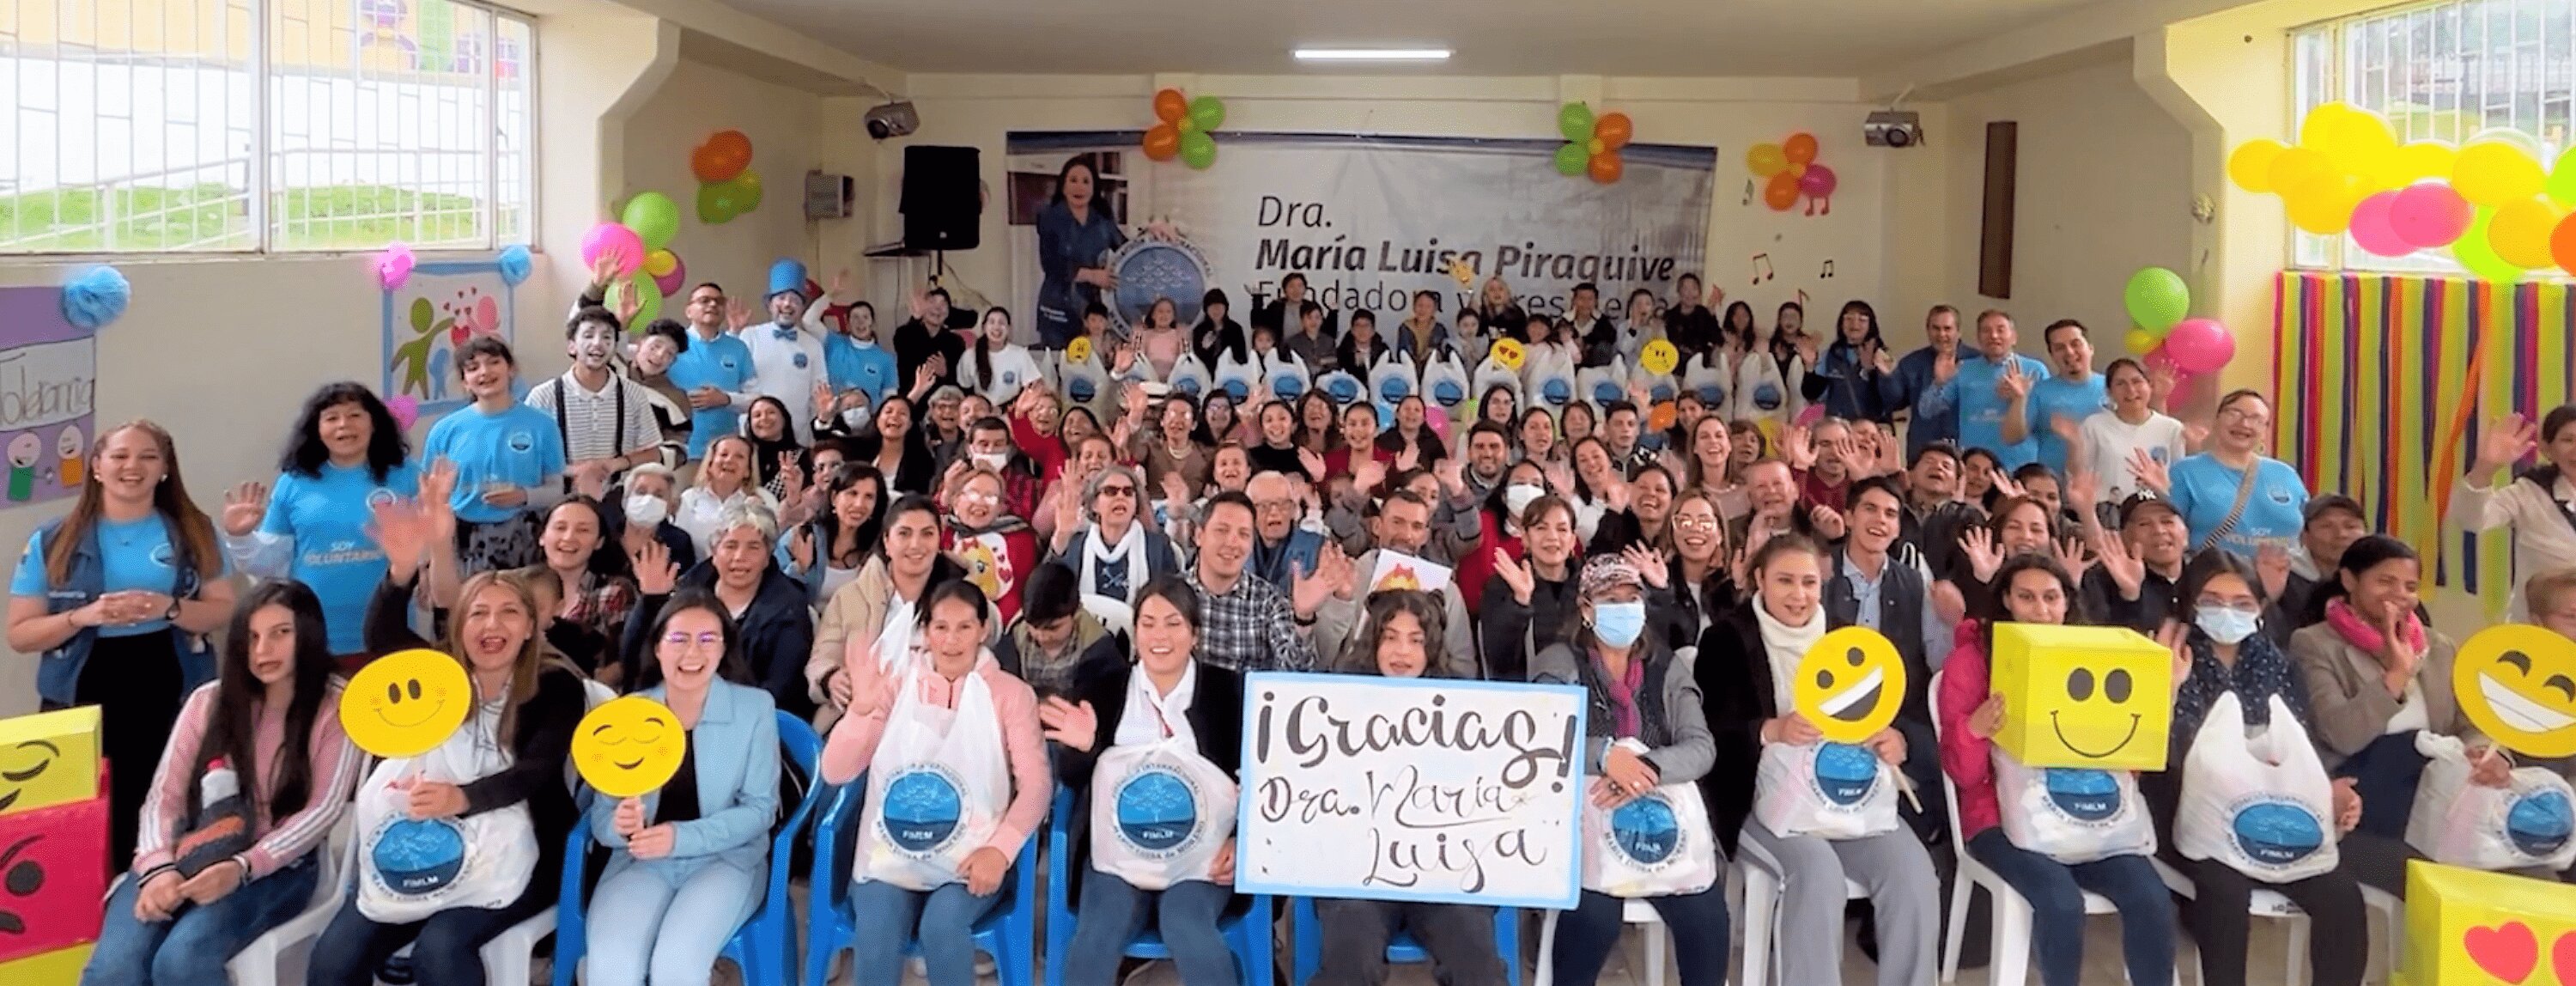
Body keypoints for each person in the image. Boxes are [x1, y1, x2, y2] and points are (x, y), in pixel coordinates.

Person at [324, 553, 584, 986]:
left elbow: (535, 771)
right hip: (420, 847)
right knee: (334, 961)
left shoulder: (557, 685)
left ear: (529, 627)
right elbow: (383, 636)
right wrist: (400, 573)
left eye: (509, 613)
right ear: (459, 625)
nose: (492, 626)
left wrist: (461, 798)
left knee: (440, 952)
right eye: (478, 613)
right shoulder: (440, 678)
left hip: (527, 858)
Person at [82, 582, 358, 986]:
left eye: (281, 633)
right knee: (115, 971)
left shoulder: (337, 705)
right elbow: (165, 799)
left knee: (182, 960)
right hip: (187, 851)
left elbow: (323, 809)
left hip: (274, 864)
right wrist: (158, 869)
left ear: (309, 633)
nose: (263, 650)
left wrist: (243, 867)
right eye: (252, 637)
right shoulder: (207, 701)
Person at [1697, 534, 1941, 986]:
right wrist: (1770, 731)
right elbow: (1708, 733)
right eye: (1785, 581)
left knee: (1914, 876)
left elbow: (1900, 714)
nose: (1799, 594)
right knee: (1817, 873)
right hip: (1763, 806)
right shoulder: (1725, 640)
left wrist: (1897, 739)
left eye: (1809, 582)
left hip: (1850, 801)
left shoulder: (1849, 641)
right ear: (1759, 581)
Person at [1936, 553, 2176, 986]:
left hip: (2094, 816)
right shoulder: (1971, 661)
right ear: (2005, 600)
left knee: (2152, 899)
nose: (2041, 610)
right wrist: (1974, 730)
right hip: (2000, 822)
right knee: (2061, 902)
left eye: (2051, 598)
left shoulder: (2094, 656)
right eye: (2026, 597)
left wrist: (2164, 695)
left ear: (2068, 602)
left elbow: (2132, 766)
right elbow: (1965, 777)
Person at [9, 420, 234, 867]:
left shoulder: (196, 532)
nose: (133, 467)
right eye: (120, 456)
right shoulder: (52, 540)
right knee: (79, 820)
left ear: (165, 469)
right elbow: (20, 634)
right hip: (81, 691)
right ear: (96, 467)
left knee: (163, 809)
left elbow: (224, 609)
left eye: (148, 457)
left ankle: (153, 895)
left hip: (169, 683)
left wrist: (168, 608)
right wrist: (81, 617)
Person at [2142, 551, 2369, 986]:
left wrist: (2330, 791)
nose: (2227, 612)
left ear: (2260, 609)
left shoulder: (2276, 664)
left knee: (2341, 896)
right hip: (2187, 813)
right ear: (2188, 603)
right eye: (2211, 600)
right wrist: (2163, 690)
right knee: (2225, 894)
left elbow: (2297, 747)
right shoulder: (2164, 655)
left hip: (2272, 812)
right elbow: (2161, 753)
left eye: (2242, 603)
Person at [823, 581, 1052, 986]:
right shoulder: (895, 683)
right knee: (877, 928)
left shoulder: (1010, 695)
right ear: (925, 631)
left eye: (964, 627)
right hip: (888, 855)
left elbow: (1036, 786)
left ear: (984, 630)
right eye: (940, 627)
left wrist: (999, 852)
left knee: (942, 927)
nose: (951, 640)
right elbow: (837, 771)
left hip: (971, 858)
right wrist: (859, 710)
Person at [1533, 554, 1729, 986]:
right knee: (1595, 919)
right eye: (1609, 598)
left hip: (1660, 821)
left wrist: (1645, 769)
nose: (1623, 607)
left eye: (1631, 597)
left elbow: (1701, 748)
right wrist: (1605, 757)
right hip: (1586, 827)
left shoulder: (1666, 667)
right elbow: (1542, 734)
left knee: (1706, 917)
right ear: (1586, 608)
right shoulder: (1560, 662)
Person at [1043, 576, 1244, 986]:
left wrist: (1243, 840)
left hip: (1204, 859)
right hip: (1118, 857)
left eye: (1173, 623)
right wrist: (1084, 748)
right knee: (1096, 934)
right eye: (1148, 623)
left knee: (1187, 924)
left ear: (1195, 634)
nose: (1160, 636)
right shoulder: (1104, 688)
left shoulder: (1229, 693)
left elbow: (1260, 782)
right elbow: (1073, 782)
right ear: (1135, 632)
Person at [1311, 591, 1512, 983]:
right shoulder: (1338, 700)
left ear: (1432, 646)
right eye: (1390, 637)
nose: (1402, 651)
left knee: (1479, 966)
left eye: (1416, 640)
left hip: (1444, 872)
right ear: (1373, 641)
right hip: (1360, 873)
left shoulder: (1464, 705)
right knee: (1349, 963)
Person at [581, 592, 781, 986]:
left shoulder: (755, 708)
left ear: (725, 647)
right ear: (657, 647)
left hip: (727, 860)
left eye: (708, 639)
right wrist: (621, 826)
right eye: (679, 639)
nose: (693, 652)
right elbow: (601, 819)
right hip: (640, 863)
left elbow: (760, 811)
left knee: (678, 965)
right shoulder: (630, 713)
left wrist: (679, 838)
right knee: (611, 968)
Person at [2287, 535, 2474, 835]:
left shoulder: (2438, 646)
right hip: (2361, 793)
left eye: (2410, 587)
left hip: (2438, 790)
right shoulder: (2314, 643)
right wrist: (2397, 675)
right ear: (2349, 580)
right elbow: (2341, 735)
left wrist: (2482, 755)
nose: (2399, 594)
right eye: (2385, 582)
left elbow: (2472, 723)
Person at [221, 383, 418, 660]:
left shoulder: (407, 475)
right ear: (317, 428)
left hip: (390, 630)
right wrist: (239, 537)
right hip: (314, 636)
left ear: (374, 423)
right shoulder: (293, 483)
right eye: (332, 417)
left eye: (355, 415)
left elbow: (431, 547)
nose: (344, 425)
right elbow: (269, 565)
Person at [625, 502, 815, 720]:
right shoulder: (684, 594)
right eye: (731, 545)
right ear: (714, 552)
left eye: (753, 547)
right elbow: (635, 668)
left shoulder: (789, 609)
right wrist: (651, 602)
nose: (739, 557)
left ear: (767, 556)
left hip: (749, 720)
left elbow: (779, 691)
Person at [807, 496, 971, 730]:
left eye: (927, 534)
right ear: (887, 541)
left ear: (938, 541)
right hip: (859, 721)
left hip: (938, 726)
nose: (916, 544)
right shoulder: (850, 596)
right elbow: (822, 657)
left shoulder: (960, 598)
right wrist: (830, 678)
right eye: (904, 534)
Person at [1831, 478, 1951, 785]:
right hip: (1826, 714)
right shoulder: (1817, 574)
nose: (1880, 521)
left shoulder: (1915, 584)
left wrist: (1954, 622)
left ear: (1898, 528)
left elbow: (1939, 666)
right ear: (1848, 517)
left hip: (1897, 720)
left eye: (1890, 514)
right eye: (1870, 509)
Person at [420, 337, 567, 573]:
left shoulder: (542, 426)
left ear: (511, 369)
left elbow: (556, 491)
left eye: (493, 362)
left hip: (524, 539)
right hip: (461, 540)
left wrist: (523, 496)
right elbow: (428, 500)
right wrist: (428, 561)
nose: (484, 372)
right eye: (473, 368)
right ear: (465, 382)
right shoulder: (445, 430)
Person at [2136, 389, 2308, 560]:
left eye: (2256, 419)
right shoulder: (2186, 472)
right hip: (2217, 580)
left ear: (2264, 431)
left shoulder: (2286, 474)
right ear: (2216, 420)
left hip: (2287, 580)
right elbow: (2167, 532)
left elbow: (2309, 529)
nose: (2244, 424)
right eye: (2234, 413)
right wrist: (2160, 495)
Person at [526, 296, 665, 493]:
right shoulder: (543, 396)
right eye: (589, 336)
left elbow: (653, 453)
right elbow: (527, 457)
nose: (598, 344)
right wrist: (578, 471)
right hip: (559, 499)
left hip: (617, 499)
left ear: (615, 346)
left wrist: (616, 464)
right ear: (572, 346)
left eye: (607, 337)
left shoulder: (633, 393)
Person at [2452, 405, 2576, 618]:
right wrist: (2485, 467)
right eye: (2568, 440)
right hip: (2536, 631)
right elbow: (2471, 520)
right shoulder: (2528, 494)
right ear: (2547, 449)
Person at [1183, 491, 1326, 673]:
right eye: (1222, 530)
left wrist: (1303, 618)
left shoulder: (1269, 600)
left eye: (1244, 534)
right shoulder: (1171, 595)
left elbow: (1295, 676)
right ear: (1199, 536)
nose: (1232, 542)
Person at [1921, 310, 2050, 471]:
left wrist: (2021, 399)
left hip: (2020, 466)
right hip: (1974, 468)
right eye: (1986, 331)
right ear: (1978, 338)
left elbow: (2048, 422)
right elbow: (1927, 411)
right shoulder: (1963, 369)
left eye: (2000, 330)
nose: (1994, 336)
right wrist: (1939, 383)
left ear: (2014, 336)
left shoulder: (2035, 370)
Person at [1479, 495, 1583, 681]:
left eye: (1562, 529)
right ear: (1525, 538)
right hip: (1525, 697)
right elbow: (1499, 662)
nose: (1552, 537)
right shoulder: (1501, 585)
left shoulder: (1590, 586)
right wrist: (1520, 602)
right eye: (1541, 528)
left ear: (1573, 540)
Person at [532, 496, 636, 679]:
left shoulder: (614, 592)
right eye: (560, 527)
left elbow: (622, 662)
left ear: (599, 542)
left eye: (583, 530)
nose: (569, 537)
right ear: (542, 536)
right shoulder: (517, 586)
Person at [1035, 155, 1127, 348]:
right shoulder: (1050, 216)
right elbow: (1049, 263)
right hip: (1058, 308)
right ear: (1063, 185)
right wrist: (1091, 275)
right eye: (1073, 180)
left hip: (1093, 311)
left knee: (1094, 363)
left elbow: (1126, 250)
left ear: (1094, 188)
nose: (1079, 187)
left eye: (1086, 181)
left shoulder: (1102, 220)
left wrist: (1154, 231)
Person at [993, 563, 1121, 701]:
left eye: (1053, 628)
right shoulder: (1015, 642)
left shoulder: (1100, 652)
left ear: (1076, 613)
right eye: (1034, 627)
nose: (1042, 636)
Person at [2075, 359, 2189, 514]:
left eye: (2137, 382)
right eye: (2121, 384)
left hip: (2156, 510)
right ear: (2109, 392)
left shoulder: (2172, 428)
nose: (2131, 390)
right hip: (2109, 512)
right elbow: (2081, 474)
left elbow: (2178, 478)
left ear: (2150, 386)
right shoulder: (2094, 425)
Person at [738, 261, 831, 441]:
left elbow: (818, 396)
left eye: (795, 300)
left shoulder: (813, 345)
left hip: (798, 438)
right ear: (770, 304)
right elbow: (737, 385)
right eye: (781, 298)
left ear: (802, 308)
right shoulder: (749, 336)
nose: (788, 304)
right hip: (753, 437)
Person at [2003, 320, 2108, 478]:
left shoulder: (2113, 388)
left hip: (2107, 481)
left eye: (2076, 344)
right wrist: (2019, 399)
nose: (2070, 352)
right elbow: (2011, 438)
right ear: (2052, 355)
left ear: (2091, 348)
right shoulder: (2040, 391)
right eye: (2060, 348)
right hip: (2055, 486)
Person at [671, 282, 757, 460]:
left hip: (725, 455)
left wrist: (726, 399)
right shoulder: (671, 343)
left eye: (719, 302)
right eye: (705, 300)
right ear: (689, 311)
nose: (712, 305)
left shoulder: (738, 348)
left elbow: (756, 399)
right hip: (679, 451)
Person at [944, 466, 1042, 624]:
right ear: (956, 501)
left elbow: (1015, 594)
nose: (981, 502)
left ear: (1001, 508)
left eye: (990, 497)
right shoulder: (942, 533)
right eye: (973, 494)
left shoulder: (1020, 538)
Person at [2275, 495, 2367, 644]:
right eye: (2326, 526)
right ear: (2305, 537)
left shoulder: (2375, 579)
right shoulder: (2282, 578)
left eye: (2351, 526)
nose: (2341, 535)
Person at [674, 435, 783, 557]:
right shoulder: (689, 498)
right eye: (724, 454)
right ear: (710, 464)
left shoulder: (763, 500)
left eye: (739, 457)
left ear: (748, 470)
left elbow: (771, 546)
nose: (729, 460)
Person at [1885, 306, 1965, 458]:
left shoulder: (1975, 362)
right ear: (1928, 330)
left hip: (1964, 447)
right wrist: (1888, 377)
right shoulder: (1911, 363)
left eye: (1947, 329)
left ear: (1958, 331)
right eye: (1936, 328)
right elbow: (1894, 403)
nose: (1942, 334)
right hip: (1922, 447)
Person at [1801, 300, 1893, 423]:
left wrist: (1871, 371)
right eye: (1849, 319)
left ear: (1871, 325)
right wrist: (1809, 367)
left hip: (1869, 429)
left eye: (1862, 320)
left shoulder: (1883, 356)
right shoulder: (1830, 355)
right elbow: (1811, 395)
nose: (1855, 324)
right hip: (1837, 428)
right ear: (1841, 324)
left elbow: (1892, 398)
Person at [627, 320, 700, 469]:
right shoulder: (612, 370)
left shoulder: (677, 399)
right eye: (655, 346)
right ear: (639, 343)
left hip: (638, 475)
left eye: (670, 353)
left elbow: (678, 451)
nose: (660, 355)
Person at [824, 294, 901, 409]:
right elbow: (808, 322)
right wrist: (830, 296)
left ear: (873, 323)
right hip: (834, 417)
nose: (860, 322)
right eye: (855, 317)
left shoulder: (886, 359)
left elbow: (889, 401)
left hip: (869, 421)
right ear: (848, 324)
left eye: (865, 317)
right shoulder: (833, 342)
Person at [959, 307, 1046, 404]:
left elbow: (1035, 387)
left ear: (1009, 329)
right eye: (992, 322)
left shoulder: (1020, 354)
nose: (997, 327)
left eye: (1002, 323)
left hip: (1011, 410)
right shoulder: (969, 356)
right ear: (984, 328)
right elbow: (964, 389)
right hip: (979, 411)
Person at [855, 395, 937, 496]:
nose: (894, 416)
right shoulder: (857, 453)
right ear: (877, 420)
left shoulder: (922, 462)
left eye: (902, 413)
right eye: (888, 412)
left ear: (910, 424)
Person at [894, 287, 969, 392]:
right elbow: (902, 343)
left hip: (944, 401)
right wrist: (916, 318)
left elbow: (962, 381)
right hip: (913, 401)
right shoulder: (905, 334)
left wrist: (945, 373)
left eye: (943, 304)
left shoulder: (955, 342)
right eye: (932, 302)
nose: (938, 308)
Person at [743, 396, 810, 502]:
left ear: (784, 419)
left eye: (771, 413)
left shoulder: (804, 457)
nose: (764, 418)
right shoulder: (742, 457)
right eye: (757, 415)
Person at [1336, 309, 1390, 374]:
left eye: (1366, 326)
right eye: (1358, 325)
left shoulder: (1383, 351)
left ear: (1373, 331)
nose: (1362, 330)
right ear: (1352, 330)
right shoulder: (1342, 353)